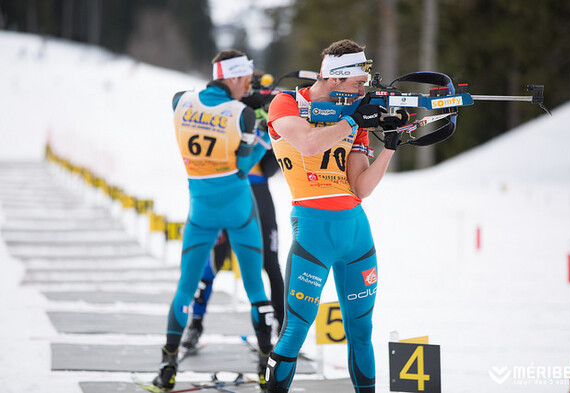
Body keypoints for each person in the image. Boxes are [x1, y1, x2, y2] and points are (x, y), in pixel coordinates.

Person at [263, 39, 408, 393]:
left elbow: (360, 187)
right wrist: (353, 118)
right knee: (296, 330)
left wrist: (389, 146)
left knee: (361, 333)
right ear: (334, 79)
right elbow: (309, 144)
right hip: (313, 230)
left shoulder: (353, 114)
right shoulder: (287, 103)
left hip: (356, 231)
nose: (364, 88)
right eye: (359, 82)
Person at [153, 49, 274, 391]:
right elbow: (243, 166)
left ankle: (167, 364)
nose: (247, 89)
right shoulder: (242, 115)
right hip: (237, 206)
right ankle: (267, 365)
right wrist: (263, 134)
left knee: (184, 288)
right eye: (246, 82)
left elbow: (196, 106)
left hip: (201, 207)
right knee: (254, 288)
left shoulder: (180, 101)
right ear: (233, 77)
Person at [182, 150, 285, 350]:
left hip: (258, 193)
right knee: (212, 263)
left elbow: (269, 168)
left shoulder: (266, 120)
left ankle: (282, 328)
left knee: (271, 265)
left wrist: (271, 141)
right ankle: (195, 324)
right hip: (228, 193)